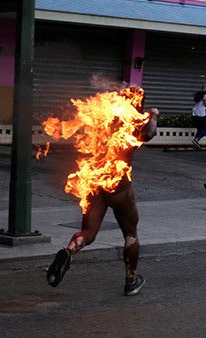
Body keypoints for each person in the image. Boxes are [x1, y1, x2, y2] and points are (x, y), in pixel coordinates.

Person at [46, 107, 159, 296]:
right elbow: (150, 133)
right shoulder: (129, 126)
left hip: (94, 184)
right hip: (118, 186)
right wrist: (154, 115)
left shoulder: (98, 125)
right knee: (130, 233)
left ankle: (70, 250)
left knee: (88, 232)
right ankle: (130, 280)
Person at [191, 83, 206, 150]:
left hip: (194, 114)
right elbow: (205, 104)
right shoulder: (205, 95)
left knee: (200, 129)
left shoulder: (200, 95)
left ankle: (196, 142)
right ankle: (196, 140)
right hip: (200, 114)